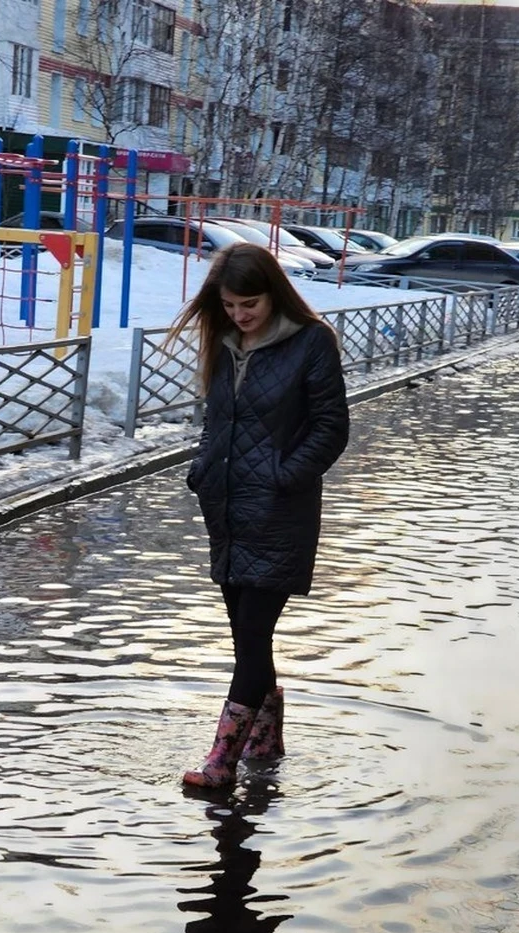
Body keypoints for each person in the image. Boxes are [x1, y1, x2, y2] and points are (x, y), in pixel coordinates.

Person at [168, 243, 350, 790]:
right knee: (248, 641)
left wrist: (282, 477)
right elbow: (217, 422)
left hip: (278, 513)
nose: (240, 315)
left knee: (251, 637)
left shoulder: (311, 342)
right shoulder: (226, 342)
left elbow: (331, 428)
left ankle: (221, 761)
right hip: (225, 510)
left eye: (249, 304)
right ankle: (266, 741)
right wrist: (203, 469)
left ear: (274, 292)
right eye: (229, 306)